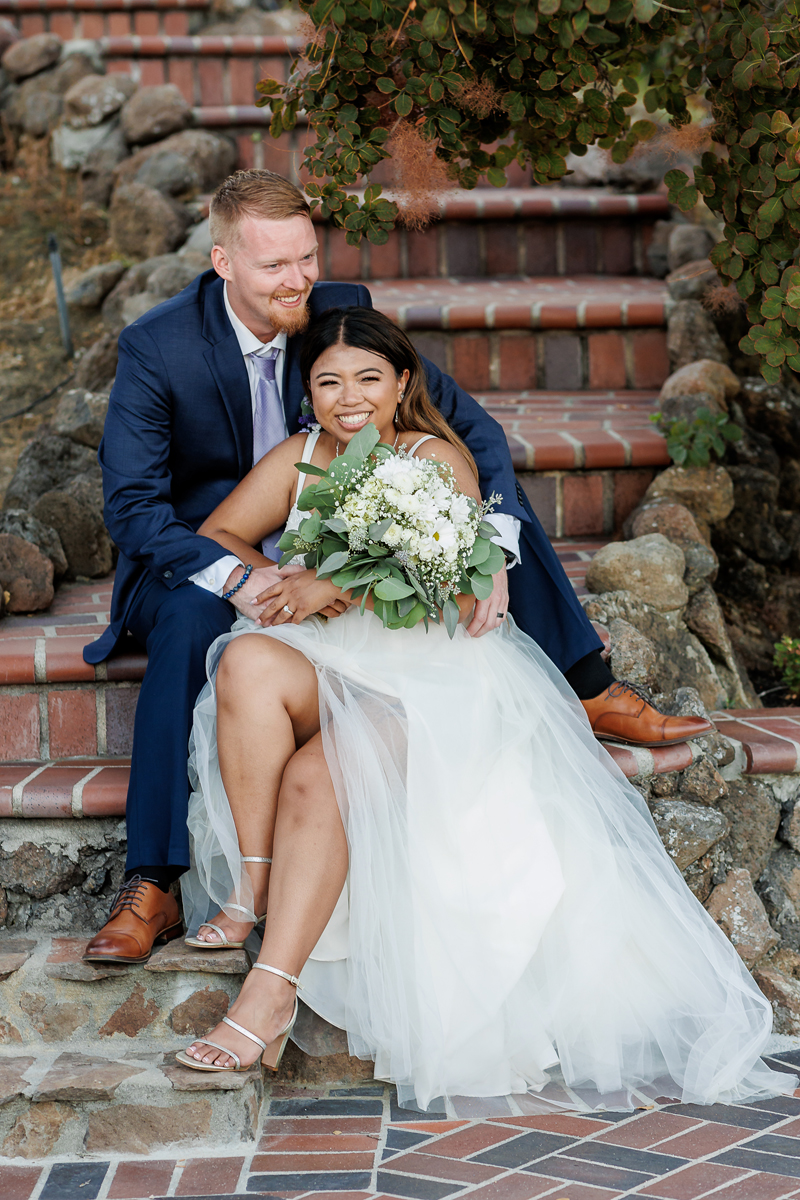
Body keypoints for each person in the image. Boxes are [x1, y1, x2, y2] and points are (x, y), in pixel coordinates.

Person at [82, 169, 710, 966]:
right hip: (214, 552)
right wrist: (246, 577)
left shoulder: (336, 313)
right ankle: (155, 880)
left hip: (356, 542)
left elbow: (467, 435)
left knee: (498, 524)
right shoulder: (158, 345)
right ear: (223, 263)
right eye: (275, 265)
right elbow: (136, 510)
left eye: (306, 257)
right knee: (188, 623)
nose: (298, 280)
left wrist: (487, 551)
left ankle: (586, 686)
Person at [176, 306, 791, 1113]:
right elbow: (218, 533)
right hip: (331, 662)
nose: (347, 397)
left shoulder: (434, 457)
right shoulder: (301, 459)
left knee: (319, 779)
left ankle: (271, 989)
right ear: (308, 393)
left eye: (367, 378)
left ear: (401, 385)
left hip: (429, 680)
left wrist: (336, 581)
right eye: (328, 381)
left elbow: (453, 562)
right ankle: (251, 889)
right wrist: (270, 579)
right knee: (248, 658)